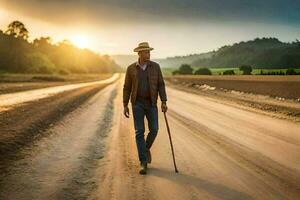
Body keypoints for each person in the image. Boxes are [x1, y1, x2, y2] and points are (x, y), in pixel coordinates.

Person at [123, 42, 168, 175]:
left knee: (154, 129)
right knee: (139, 131)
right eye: (146, 52)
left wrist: (164, 101)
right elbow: (126, 87)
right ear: (139, 53)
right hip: (137, 103)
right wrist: (125, 104)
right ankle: (143, 162)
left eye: (149, 52)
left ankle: (145, 149)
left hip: (152, 103)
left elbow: (161, 84)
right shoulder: (131, 68)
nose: (148, 54)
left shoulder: (155, 67)